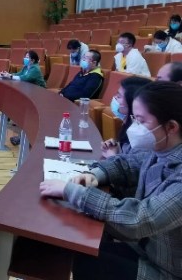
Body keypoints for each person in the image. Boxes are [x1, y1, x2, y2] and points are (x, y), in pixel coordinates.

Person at [40, 82, 182, 280]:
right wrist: (94, 174)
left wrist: (72, 191)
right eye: (134, 119)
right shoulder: (163, 149)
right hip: (146, 250)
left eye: (142, 121)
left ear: (172, 127)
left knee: (85, 261)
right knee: (79, 247)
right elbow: (128, 164)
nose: (135, 126)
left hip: (166, 270)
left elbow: (139, 218)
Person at [101, 76, 153, 158]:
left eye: (119, 96)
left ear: (132, 102)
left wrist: (112, 156)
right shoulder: (128, 125)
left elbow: (132, 165)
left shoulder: (142, 137)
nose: (115, 98)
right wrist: (117, 147)